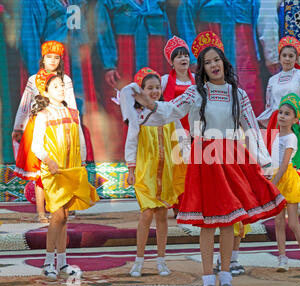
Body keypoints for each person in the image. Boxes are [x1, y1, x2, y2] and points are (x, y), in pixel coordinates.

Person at [132, 31, 286, 286]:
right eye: (207, 62)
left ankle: (225, 273)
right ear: (202, 68)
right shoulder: (195, 93)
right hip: (204, 159)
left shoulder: (238, 94)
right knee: (207, 222)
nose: (213, 65)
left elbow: (250, 129)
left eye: (217, 60)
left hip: (230, 159)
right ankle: (206, 278)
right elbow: (170, 111)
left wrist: (265, 163)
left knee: (228, 221)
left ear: (224, 64)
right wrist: (149, 103)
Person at [30, 69, 99, 280]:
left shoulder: (72, 113)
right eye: (55, 86)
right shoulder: (43, 115)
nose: (61, 89)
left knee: (64, 217)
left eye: (62, 85)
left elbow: (80, 141)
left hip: (71, 169)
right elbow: (36, 146)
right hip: (54, 171)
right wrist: (49, 161)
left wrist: (83, 164)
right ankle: (48, 262)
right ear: (46, 91)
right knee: (57, 215)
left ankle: (62, 262)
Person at [121, 67, 186, 277]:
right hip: (146, 171)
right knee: (146, 213)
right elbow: (131, 142)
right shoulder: (137, 116)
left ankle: (161, 260)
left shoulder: (167, 112)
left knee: (162, 216)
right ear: (141, 92)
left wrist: (186, 158)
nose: (155, 91)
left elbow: (180, 137)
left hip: (166, 170)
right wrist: (131, 168)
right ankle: (138, 261)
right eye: (150, 88)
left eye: (157, 87)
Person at [19, 0, 97, 162]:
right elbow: (30, 39)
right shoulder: (33, 2)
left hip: (74, 59)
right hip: (51, 63)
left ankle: (77, 157)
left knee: (76, 108)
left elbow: (79, 30)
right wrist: (40, 76)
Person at [176, 0, 280, 117]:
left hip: (245, 53)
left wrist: (269, 54)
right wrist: (193, 56)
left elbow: (262, 19)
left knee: (248, 100)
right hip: (212, 49)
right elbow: (185, 17)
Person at [95, 0, 171, 160]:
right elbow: (103, 31)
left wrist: (171, 61)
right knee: (123, 104)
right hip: (124, 59)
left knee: (154, 104)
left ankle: (154, 154)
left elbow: (167, 29)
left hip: (155, 56)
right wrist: (109, 64)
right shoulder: (109, 3)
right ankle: (124, 158)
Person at [13, 41, 77, 223]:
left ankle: (65, 207)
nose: (53, 61)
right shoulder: (34, 79)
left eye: (56, 57)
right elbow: (25, 104)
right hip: (39, 124)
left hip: (60, 126)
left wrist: (74, 127)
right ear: (43, 58)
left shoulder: (66, 80)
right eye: (49, 57)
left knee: (63, 168)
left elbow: (72, 104)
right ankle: (41, 212)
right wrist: (18, 127)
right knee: (41, 172)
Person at [257, 36, 300, 218]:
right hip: (277, 123)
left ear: (296, 58)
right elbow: (269, 105)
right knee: (278, 163)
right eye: (284, 55)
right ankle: (279, 201)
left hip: (297, 123)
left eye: (291, 56)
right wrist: (263, 123)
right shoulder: (273, 80)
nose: (288, 59)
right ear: (279, 57)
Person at [270, 93, 300, 272]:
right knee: (278, 222)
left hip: (287, 180)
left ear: (296, 119)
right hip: (275, 177)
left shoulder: (291, 137)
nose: (282, 116)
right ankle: (282, 258)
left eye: (287, 114)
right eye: (280, 112)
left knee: (293, 223)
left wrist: (272, 183)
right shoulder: (273, 135)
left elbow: (284, 163)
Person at [161, 36, 195, 218]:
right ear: (172, 62)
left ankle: (191, 204)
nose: (183, 59)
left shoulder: (197, 80)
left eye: (185, 56)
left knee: (192, 168)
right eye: (178, 57)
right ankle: (177, 204)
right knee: (175, 169)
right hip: (173, 130)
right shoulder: (165, 80)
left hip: (194, 129)